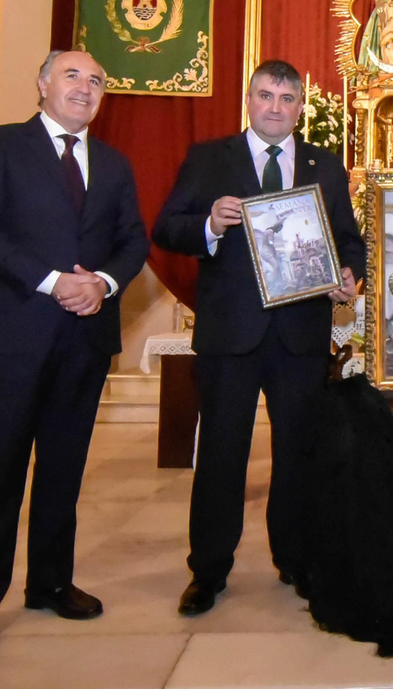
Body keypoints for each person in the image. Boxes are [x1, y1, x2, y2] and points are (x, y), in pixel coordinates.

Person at [0, 50, 150, 654]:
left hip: (84, 340)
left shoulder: (113, 164)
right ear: (41, 84)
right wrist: (50, 279)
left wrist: (104, 284)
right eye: (72, 76)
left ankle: (51, 583)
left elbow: (133, 239)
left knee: (64, 467)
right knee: (0, 466)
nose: (85, 88)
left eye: (96, 81)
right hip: (14, 334)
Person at [152, 59, 366, 616]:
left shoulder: (325, 165)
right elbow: (167, 227)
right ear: (248, 100)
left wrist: (349, 273)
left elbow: (350, 239)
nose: (276, 107)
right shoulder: (209, 158)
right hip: (232, 334)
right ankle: (208, 570)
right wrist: (209, 224)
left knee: (298, 454)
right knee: (223, 453)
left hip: (300, 333)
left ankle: (295, 558)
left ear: (302, 105)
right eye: (266, 95)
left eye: (287, 98)